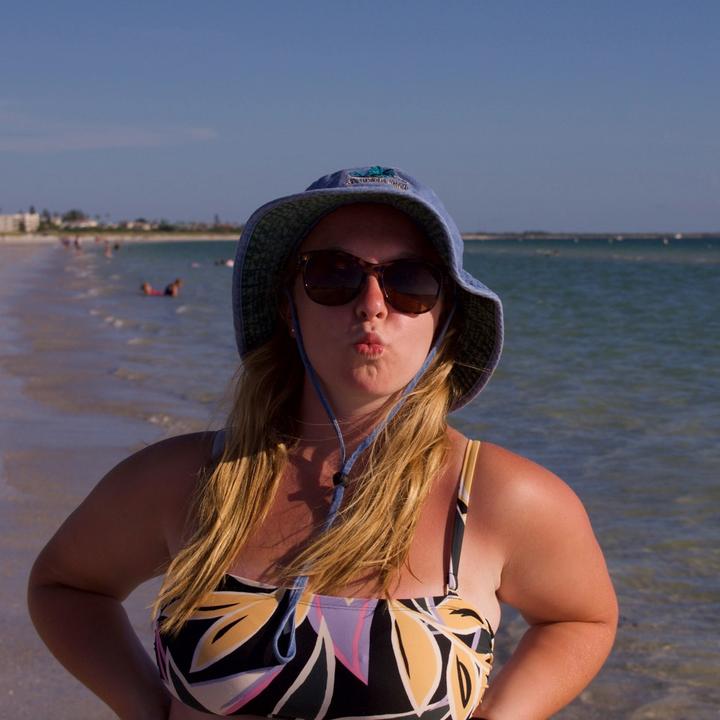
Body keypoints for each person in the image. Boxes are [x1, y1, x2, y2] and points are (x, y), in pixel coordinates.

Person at [28, 166, 618, 719]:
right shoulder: (191, 479)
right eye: (334, 274)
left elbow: (581, 619)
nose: (372, 304)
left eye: (410, 281)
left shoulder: (499, 497)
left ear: (444, 319)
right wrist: (147, 708)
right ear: (289, 306)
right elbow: (65, 587)